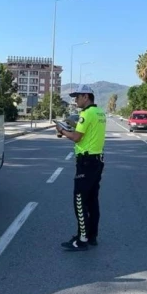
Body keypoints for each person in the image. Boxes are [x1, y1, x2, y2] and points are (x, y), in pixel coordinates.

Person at [55, 84, 107, 251]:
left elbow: (77, 137)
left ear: (86, 96)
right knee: (92, 201)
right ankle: (92, 236)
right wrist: (71, 126)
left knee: (79, 200)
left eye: (77, 97)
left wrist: (62, 131)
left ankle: (82, 240)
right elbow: (89, 133)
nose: (75, 100)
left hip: (86, 162)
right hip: (97, 161)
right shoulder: (100, 113)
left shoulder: (86, 114)